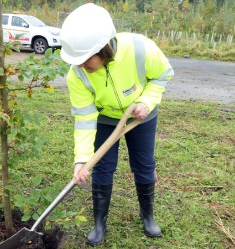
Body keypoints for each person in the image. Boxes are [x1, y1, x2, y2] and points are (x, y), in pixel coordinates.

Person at [59, 3, 174, 246]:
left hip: (141, 117)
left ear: (104, 47)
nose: (80, 65)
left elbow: (162, 75)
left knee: (144, 165)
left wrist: (147, 101)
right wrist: (81, 159)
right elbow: (84, 118)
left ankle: (148, 216)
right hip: (104, 119)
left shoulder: (140, 48)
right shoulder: (77, 74)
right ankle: (99, 224)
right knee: (102, 167)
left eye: (84, 58)